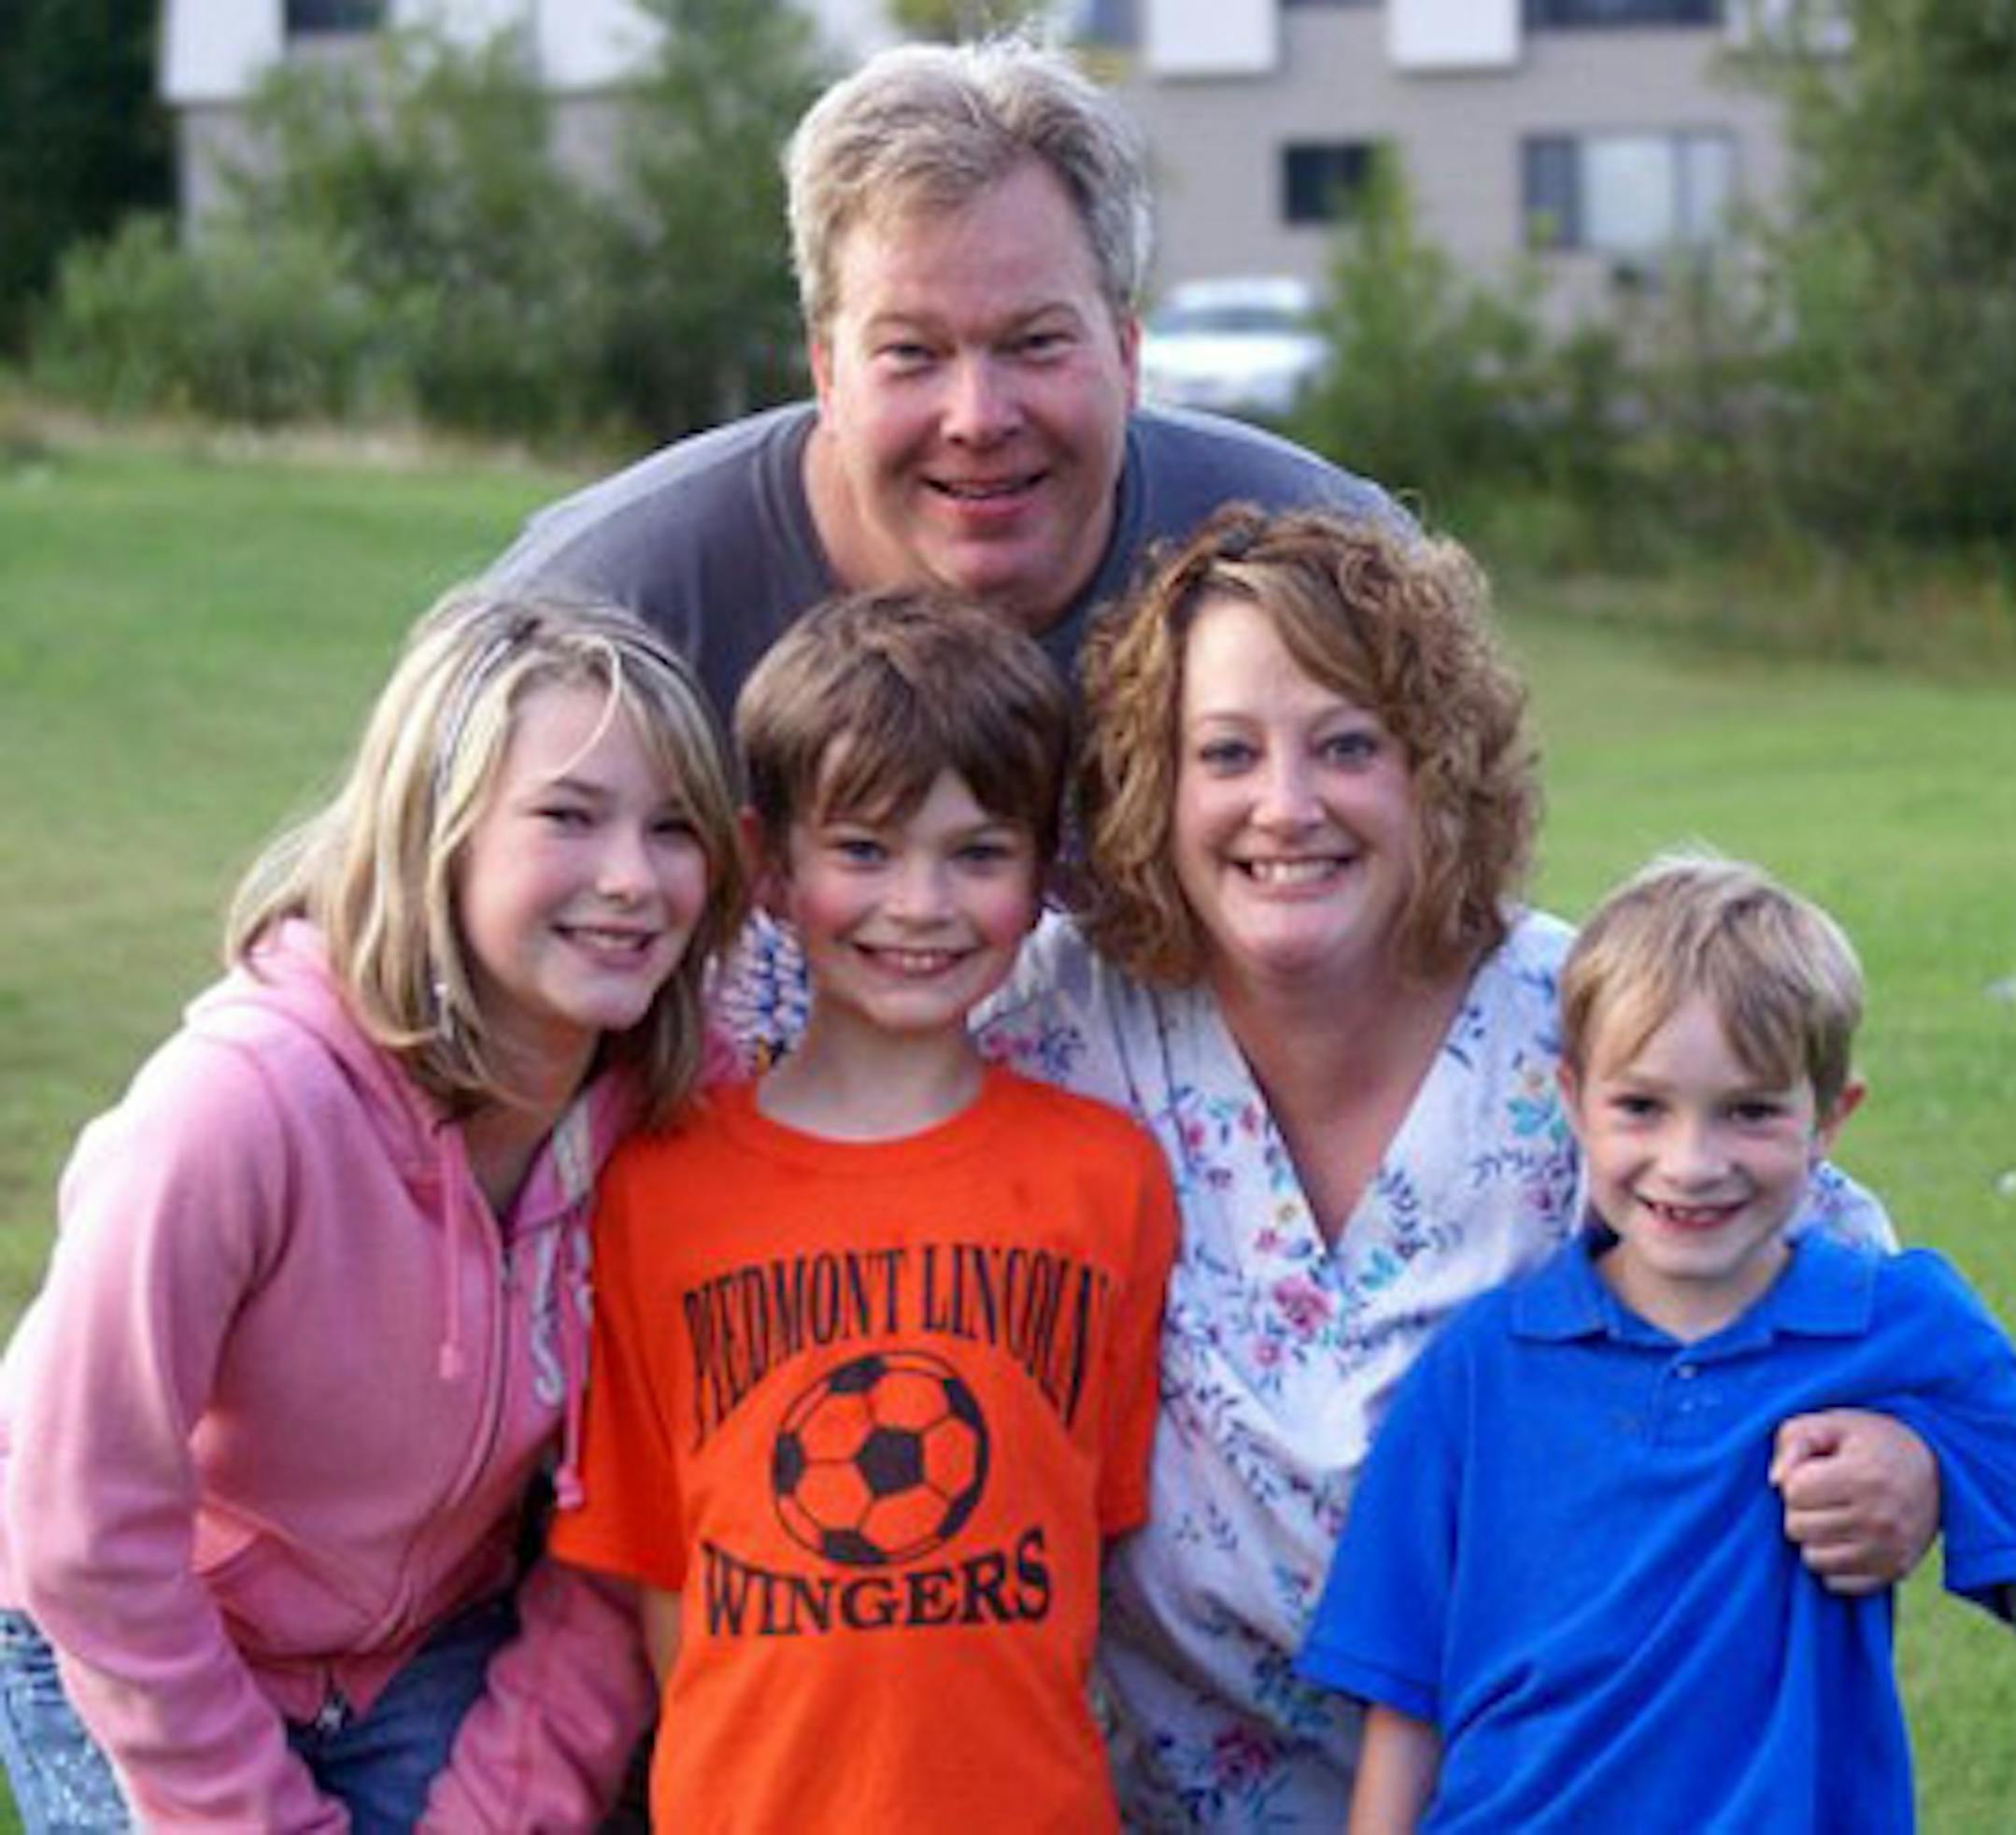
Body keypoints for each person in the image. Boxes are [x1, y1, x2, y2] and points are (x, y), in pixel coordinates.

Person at [959, 505, 1938, 1826]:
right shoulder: (1052, 1025)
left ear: (1438, 765)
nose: (1286, 805)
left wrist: (1909, 1460)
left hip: (1552, 1796)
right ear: (1155, 781)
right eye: (1227, 752)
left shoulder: (1595, 1028)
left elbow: (1846, 1276)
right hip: (1155, 1801)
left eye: (1347, 745)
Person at [0, 588, 746, 1828]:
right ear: (435, 829)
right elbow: (86, 1525)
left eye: (673, 828)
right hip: (135, 1640)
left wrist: (507, 1807)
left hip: (419, 1647)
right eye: (568, 816)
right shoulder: (236, 1108)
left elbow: (626, 1533)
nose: (631, 878)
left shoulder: (681, 1121)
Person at [550, 590, 1179, 1828]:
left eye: (977, 853)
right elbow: (663, 1579)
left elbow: (1085, 1542)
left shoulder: (1108, 1181)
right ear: (769, 867)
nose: (921, 904)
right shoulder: (655, 1188)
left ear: (1042, 872)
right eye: (864, 849)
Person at [1298, 853, 2016, 1832]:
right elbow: (1404, 1699)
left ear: (1829, 1117)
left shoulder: (1902, 1326)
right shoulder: (1477, 1371)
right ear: (1572, 1099)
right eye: (1641, 1106)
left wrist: (1934, 1466)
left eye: (1750, 1110)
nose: (1691, 1162)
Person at [487, 36, 1398, 716]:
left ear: (1127, 354)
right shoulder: (600, 611)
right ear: (826, 373)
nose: (977, 417)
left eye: (1035, 343)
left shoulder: (1336, 569)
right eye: (912, 353)